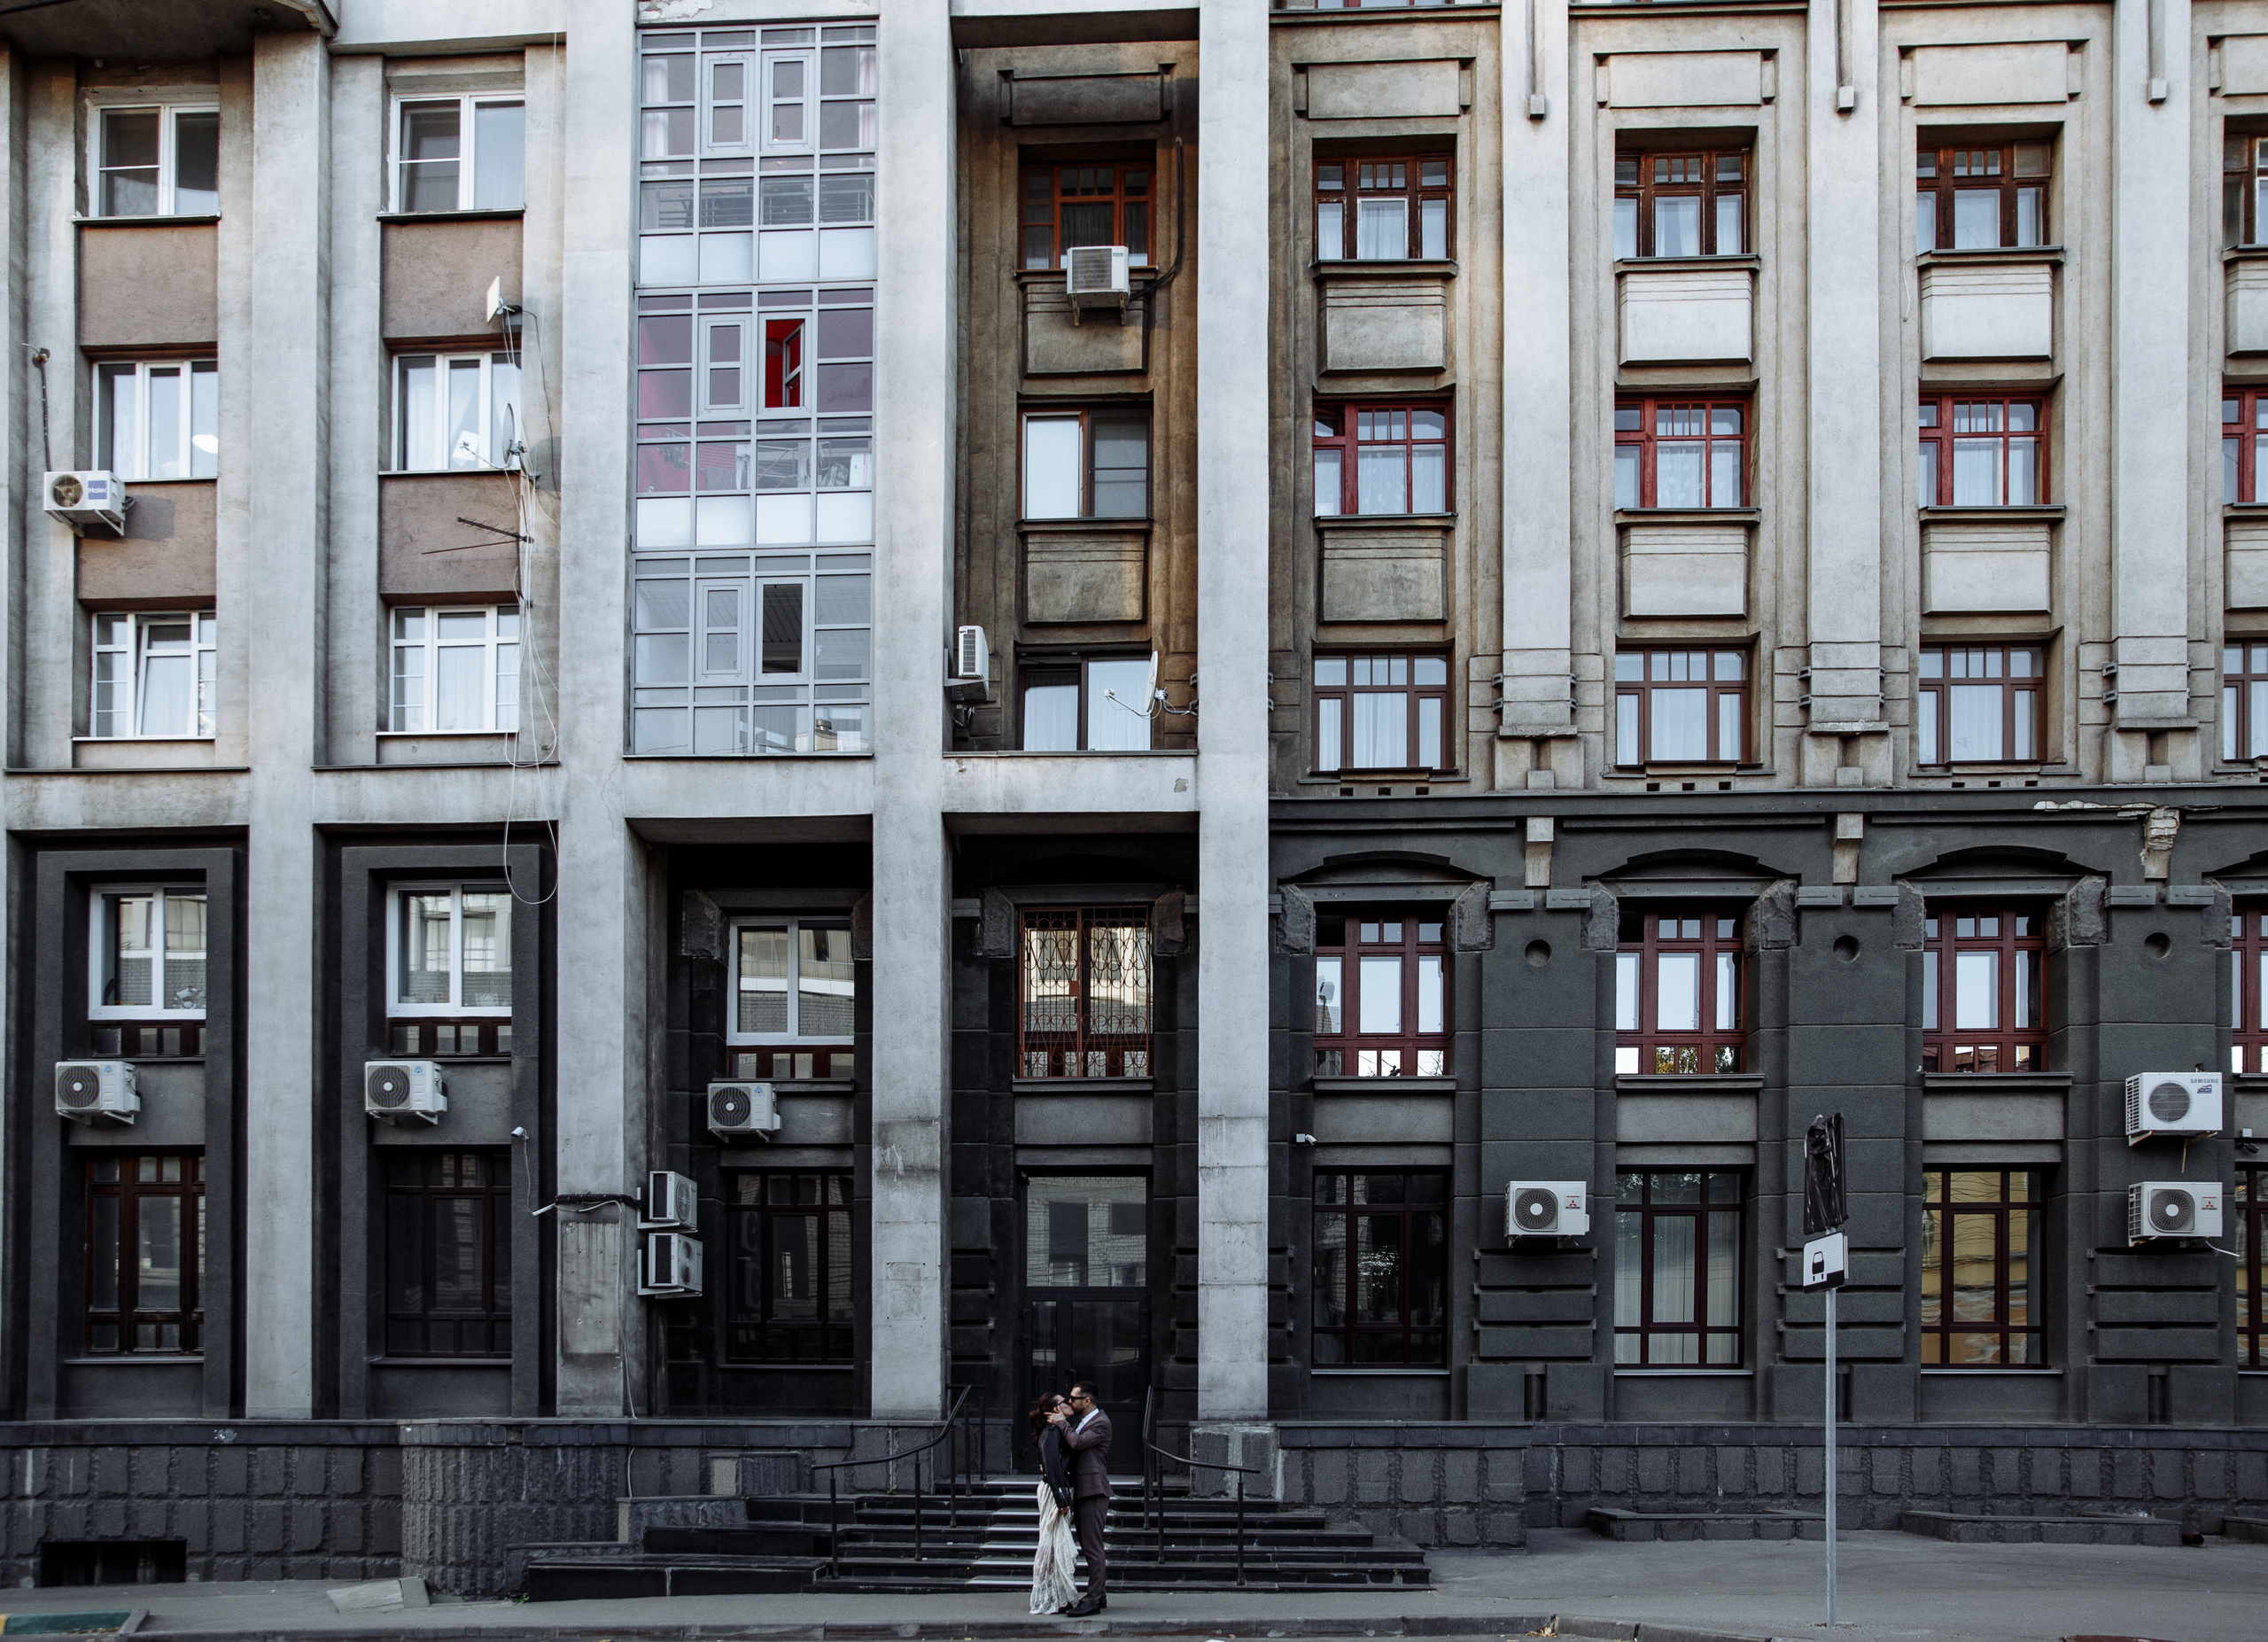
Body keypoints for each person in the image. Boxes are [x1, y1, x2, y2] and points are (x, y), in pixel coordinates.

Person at [1047, 1382, 1113, 1616]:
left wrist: (1061, 1422)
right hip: (1085, 1490)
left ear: (1087, 1401)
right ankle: (1100, 1595)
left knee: (1093, 1548)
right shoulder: (1084, 1422)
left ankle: (1093, 1600)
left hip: (1094, 1491)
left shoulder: (1101, 1423)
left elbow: (1077, 1442)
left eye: (1073, 1398)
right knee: (1089, 1546)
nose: (1070, 1401)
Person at [1027, 1393, 1079, 1615]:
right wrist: (1061, 1499)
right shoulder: (1050, 1431)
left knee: (1055, 1544)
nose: (1069, 1403)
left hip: (1059, 1491)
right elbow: (1052, 1466)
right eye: (1063, 1401)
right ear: (1055, 1409)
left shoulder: (1057, 1429)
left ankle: (1057, 1596)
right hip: (1053, 1492)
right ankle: (1046, 1598)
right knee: (1049, 1543)